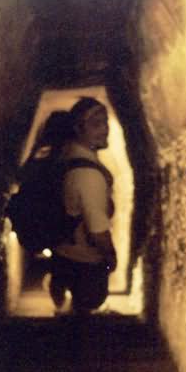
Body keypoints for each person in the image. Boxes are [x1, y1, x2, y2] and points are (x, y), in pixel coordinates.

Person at [49, 97, 116, 315]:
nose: (104, 129)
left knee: (72, 320)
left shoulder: (66, 156)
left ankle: (62, 309)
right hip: (85, 260)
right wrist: (110, 256)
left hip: (63, 252)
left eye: (105, 122)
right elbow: (97, 230)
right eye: (95, 124)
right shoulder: (88, 174)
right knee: (85, 317)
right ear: (78, 129)